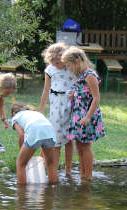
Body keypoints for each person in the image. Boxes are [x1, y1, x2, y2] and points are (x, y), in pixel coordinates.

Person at [61, 47, 105, 180]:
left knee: (85, 147)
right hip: (78, 115)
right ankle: (82, 175)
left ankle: (89, 176)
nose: (68, 68)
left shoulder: (89, 75)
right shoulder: (80, 75)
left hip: (87, 116)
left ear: (76, 61)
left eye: (68, 65)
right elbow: (83, 91)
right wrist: (74, 94)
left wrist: (87, 117)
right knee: (79, 146)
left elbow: (96, 98)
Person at [39, 42, 76, 176]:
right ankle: (53, 170)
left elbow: (80, 83)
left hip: (70, 105)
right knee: (56, 139)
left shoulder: (71, 67)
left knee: (69, 139)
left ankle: (68, 170)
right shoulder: (50, 70)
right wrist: (41, 111)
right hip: (56, 106)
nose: (56, 64)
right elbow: (45, 90)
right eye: (53, 62)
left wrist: (76, 93)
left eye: (58, 62)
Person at [10, 103, 59, 185]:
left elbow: (21, 134)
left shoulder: (15, 117)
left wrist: (21, 151)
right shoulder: (36, 113)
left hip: (35, 130)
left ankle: (22, 192)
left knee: (20, 163)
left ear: (13, 113)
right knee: (51, 163)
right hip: (49, 130)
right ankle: (52, 190)